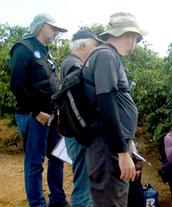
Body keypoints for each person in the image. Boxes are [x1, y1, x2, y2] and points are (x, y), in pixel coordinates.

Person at [81, 12, 144, 206]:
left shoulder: (106, 56)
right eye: (136, 38)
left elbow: (114, 105)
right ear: (129, 35)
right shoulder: (106, 56)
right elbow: (106, 105)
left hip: (111, 145)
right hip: (107, 149)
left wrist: (127, 142)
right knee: (111, 201)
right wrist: (121, 153)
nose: (135, 42)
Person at [9, 13, 68, 207]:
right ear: (42, 26)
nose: (57, 33)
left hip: (52, 117)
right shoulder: (23, 48)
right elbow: (17, 85)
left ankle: (57, 200)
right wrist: (36, 112)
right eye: (54, 29)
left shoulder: (46, 51)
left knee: (56, 158)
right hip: (33, 116)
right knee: (34, 164)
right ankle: (37, 204)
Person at [60, 28, 103, 207]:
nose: (97, 52)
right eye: (95, 46)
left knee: (85, 183)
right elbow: (76, 104)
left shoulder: (70, 63)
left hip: (75, 133)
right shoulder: (74, 65)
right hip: (80, 135)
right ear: (83, 44)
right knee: (83, 187)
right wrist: (87, 134)